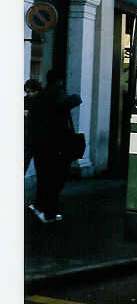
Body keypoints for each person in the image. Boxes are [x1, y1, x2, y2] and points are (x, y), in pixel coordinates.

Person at [28, 69, 82, 223]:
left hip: (39, 144)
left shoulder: (39, 97)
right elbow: (67, 104)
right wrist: (76, 98)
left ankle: (40, 206)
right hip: (55, 145)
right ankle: (49, 213)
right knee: (56, 179)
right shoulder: (58, 93)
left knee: (44, 177)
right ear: (59, 81)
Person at [24, 79, 42, 174]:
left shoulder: (43, 101)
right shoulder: (25, 100)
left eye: (31, 91)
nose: (29, 94)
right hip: (28, 139)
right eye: (27, 92)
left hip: (39, 139)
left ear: (37, 90)